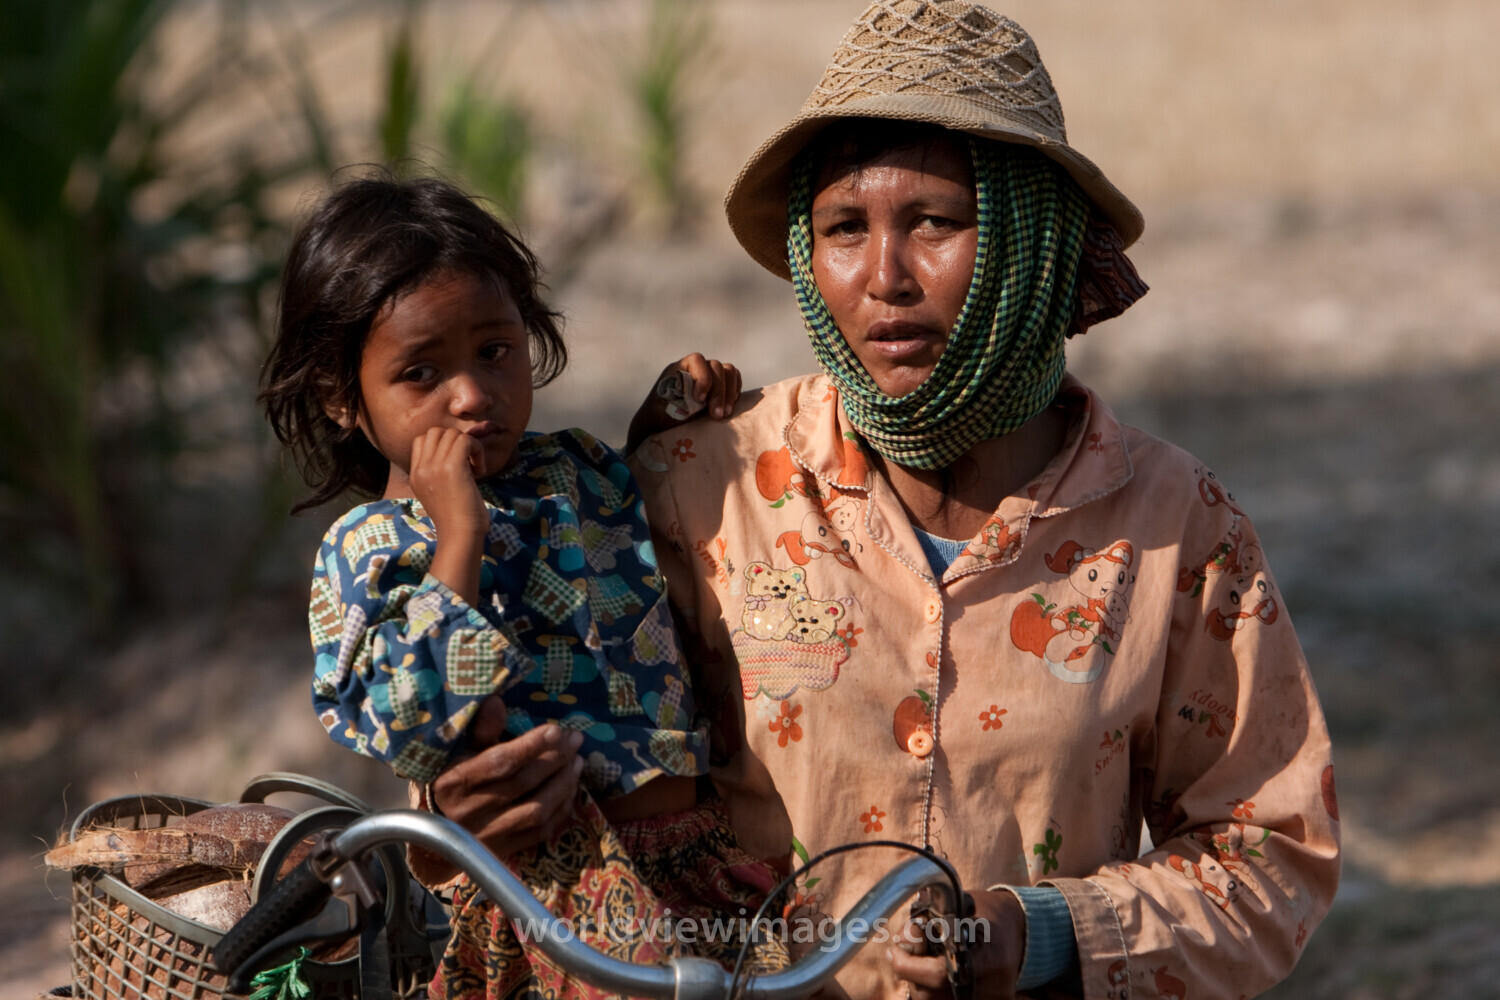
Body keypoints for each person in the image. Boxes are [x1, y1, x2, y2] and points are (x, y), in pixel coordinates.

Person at [432, 4, 1341, 998]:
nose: (883, 279)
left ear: (1030, 241)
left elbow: (1272, 856)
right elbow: (572, 761)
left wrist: (1042, 932)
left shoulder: (1177, 526)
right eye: (842, 229)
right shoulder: (700, 485)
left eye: (937, 224)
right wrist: (470, 814)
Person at [259, 170, 785, 1000]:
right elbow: (416, 725)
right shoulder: (370, 548)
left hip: (696, 860)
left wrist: (662, 420)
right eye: (421, 374)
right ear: (339, 395)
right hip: (546, 896)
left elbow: (630, 522)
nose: (472, 396)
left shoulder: (571, 468)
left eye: (495, 352)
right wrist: (458, 534)